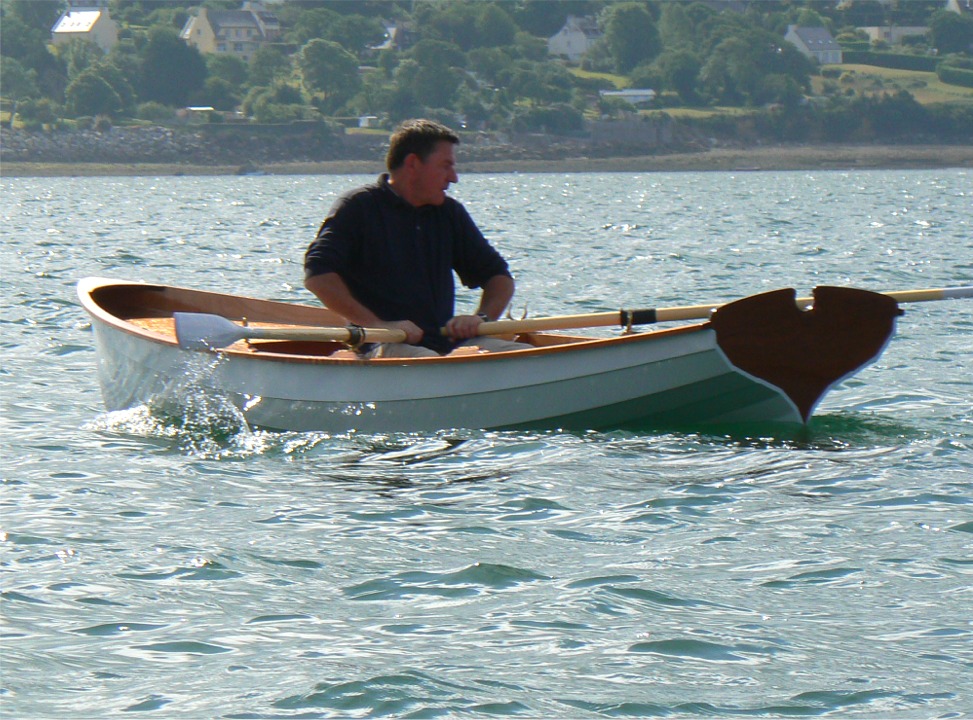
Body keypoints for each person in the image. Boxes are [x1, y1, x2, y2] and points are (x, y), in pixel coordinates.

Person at [304, 119, 530, 358]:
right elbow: (318, 275)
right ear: (413, 163)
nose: (454, 178)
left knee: (529, 357)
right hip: (381, 347)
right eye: (445, 166)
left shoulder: (449, 213)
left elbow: (499, 277)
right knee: (430, 364)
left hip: (443, 346)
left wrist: (480, 318)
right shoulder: (359, 207)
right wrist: (379, 326)